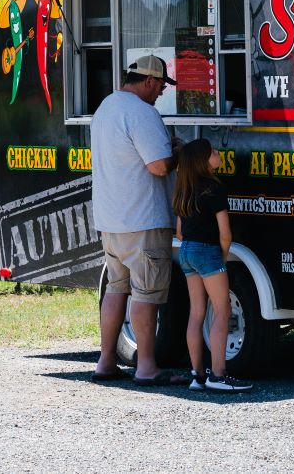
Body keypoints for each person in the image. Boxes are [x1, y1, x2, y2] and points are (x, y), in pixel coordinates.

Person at [90, 54, 180, 384]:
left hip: (110, 219)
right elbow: (157, 166)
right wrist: (177, 154)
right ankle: (146, 367)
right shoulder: (143, 113)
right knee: (146, 295)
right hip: (143, 219)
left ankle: (106, 361)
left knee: (116, 289)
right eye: (160, 87)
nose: (160, 93)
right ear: (149, 81)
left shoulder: (106, 108)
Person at [174, 138, 253, 392]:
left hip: (186, 252)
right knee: (222, 311)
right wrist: (222, 255)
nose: (218, 154)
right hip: (208, 252)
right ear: (203, 161)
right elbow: (225, 233)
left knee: (196, 313)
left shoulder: (183, 188)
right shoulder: (214, 188)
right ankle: (218, 375)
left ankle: (197, 375)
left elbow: (179, 232)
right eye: (213, 152)